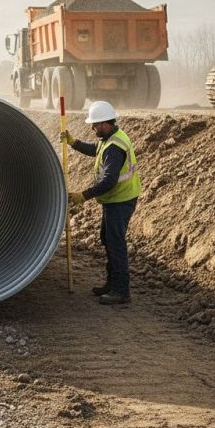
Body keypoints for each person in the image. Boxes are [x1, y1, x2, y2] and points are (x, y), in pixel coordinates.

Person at [61, 100, 141, 305]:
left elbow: (109, 181)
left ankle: (121, 291)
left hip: (120, 200)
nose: (93, 128)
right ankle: (112, 284)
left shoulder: (114, 147)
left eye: (95, 125)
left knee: (116, 244)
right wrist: (74, 143)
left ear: (105, 124)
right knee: (107, 239)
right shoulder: (110, 139)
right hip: (116, 199)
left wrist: (84, 195)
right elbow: (96, 149)